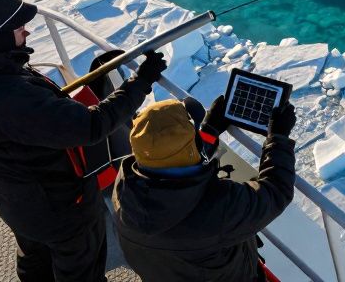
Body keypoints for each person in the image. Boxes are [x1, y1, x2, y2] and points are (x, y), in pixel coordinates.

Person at [0, 0, 166, 282]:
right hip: (59, 207)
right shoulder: (6, 98)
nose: (27, 31)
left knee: (34, 252)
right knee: (80, 265)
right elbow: (90, 126)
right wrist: (141, 82)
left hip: (13, 199)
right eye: (19, 28)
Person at [112, 92, 297, 282]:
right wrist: (278, 139)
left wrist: (209, 131)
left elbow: (170, 168)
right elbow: (275, 191)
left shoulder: (126, 187)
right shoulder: (218, 208)